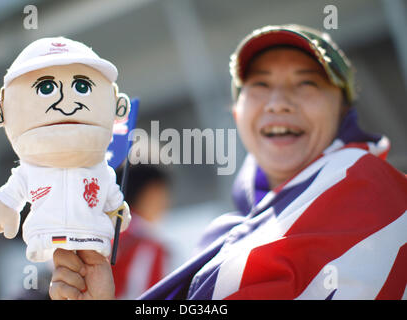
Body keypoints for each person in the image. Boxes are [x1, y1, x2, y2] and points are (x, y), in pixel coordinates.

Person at [48, 24, 407, 300]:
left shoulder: (372, 189)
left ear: (344, 110)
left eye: (307, 84)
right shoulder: (223, 234)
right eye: (259, 85)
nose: (278, 102)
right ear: (237, 113)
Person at [111, 164, 171, 299]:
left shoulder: (102, 234)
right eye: (162, 194)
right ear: (151, 193)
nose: (167, 203)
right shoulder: (148, 245)